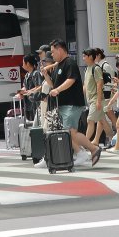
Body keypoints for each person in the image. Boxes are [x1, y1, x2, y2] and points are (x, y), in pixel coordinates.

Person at [44, 39, 103, 167]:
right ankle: (80, 152)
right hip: (63, 105)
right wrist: (46, 76)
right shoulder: (58, 65)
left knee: (70, 131)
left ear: (60, 50)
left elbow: (71, 80)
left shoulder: (70, 63)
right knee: (66, 131)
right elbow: (53, 85)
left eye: (53, 52)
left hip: (72, 104)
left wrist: (57, 90)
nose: (52, 55)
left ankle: (92, 149)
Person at [82, 49, 113, 147]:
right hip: (91, 100)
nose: (83, 58)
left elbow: (99, 84)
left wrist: (99, 101)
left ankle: (85, 143)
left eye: (84, 56)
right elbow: (85, 85)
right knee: (102, 121)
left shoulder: (96, 68)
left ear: (91, 56)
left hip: (96, 99)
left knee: (90, 120)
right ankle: (113, 138)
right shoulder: (87, 69)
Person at [17, 54, 43, 123]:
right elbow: (25, 86)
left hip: (35, 104)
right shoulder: (26, 75)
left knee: (36, 123)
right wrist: (21, 92)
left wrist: (28, 92)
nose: (22, 65)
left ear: (27, 63)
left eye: (23, 63)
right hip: (28, 104)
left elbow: (39, 86)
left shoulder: (36, 73)